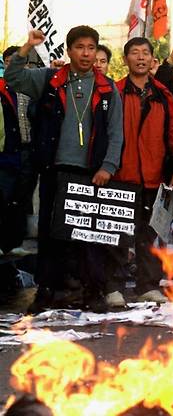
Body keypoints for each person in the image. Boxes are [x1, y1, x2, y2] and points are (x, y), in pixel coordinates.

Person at [5, 27, 124, 312]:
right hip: (54, 170)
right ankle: (47, 290)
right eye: (80, 47)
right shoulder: (50, 79)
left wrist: (107, 167)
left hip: (91, 173)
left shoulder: (107, 88)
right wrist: (27, 47)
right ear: (69, 50)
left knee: (88, 236)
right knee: (50, 233)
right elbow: (13, 78)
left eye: (91, 47)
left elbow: (116, 132)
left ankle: (93, 291)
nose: (86, 53)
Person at [105, 37, 173, 308]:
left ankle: (148, 285)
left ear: (153, 60)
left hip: (155, 176)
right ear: (126, 59)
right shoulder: (114, 92)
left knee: (151, 234)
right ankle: (113, 287)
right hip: (121, 175)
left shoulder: (164, 95)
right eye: (134, 53)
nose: (140, 58)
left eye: (145, 53)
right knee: (116, 234)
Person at [0, 46, 38, 253]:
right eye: (8, 62)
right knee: (5, 196)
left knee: (23, 197)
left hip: (29, 151)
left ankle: (16, 241)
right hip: (6, 154)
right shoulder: (1, 90)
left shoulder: (32, 89)